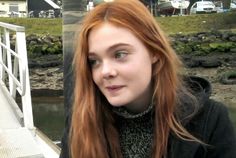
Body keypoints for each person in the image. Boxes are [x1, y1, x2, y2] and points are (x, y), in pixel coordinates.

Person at [60, 0, 236, 158]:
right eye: (94, 61)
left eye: (120, 54)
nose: (105, 71)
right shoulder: (81, 123)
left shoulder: (210, 121)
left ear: (154, 52)